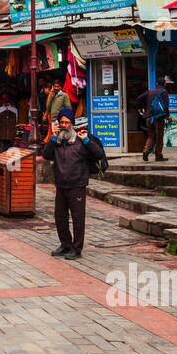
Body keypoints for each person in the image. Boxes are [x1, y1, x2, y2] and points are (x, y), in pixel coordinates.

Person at [42, 110, 106, 260]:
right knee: (60, 217)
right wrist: (52, 138)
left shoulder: (80, 141)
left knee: (77, 218)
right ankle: (65, 244)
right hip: (61, 185)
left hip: (77, 185)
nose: (64, 125)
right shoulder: (57, 141)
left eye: (67, 122)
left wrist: (87, 141)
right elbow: (46, 154)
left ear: (72, 124)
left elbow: (98, 155)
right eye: (61, 122)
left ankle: (77, 248)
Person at [136, 77, 173, 162]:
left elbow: (139, 98)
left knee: (151, 136)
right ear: (164, 84)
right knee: (159, 137)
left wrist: (142, 108)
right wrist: (167, 116)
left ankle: (146, 151)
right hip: (158, 118)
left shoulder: (150, 92)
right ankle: (158, 156)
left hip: (149, 117)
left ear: (156, 83)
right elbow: (166, 106)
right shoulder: (164, 92)